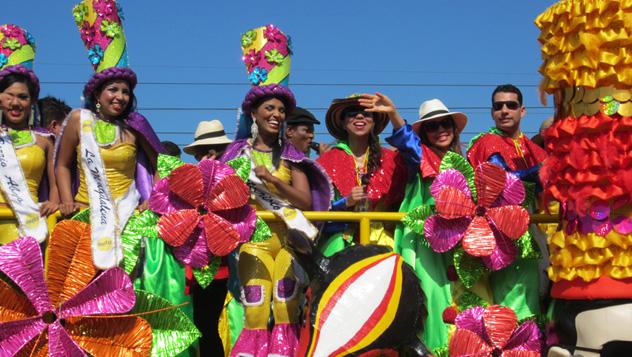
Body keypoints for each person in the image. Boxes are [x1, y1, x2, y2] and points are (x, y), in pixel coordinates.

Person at [222, 24, 331, 357]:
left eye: (281, 110)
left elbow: (304, 199)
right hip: (252, 243)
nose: (277, 115)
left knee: (285, 304)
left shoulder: (292, 156)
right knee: (255, 307)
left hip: (286, 242)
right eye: (269, 108)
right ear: (254, 113)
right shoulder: (236, 153)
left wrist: (273, 181)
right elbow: (221, 195)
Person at [379, 96, 476, 353]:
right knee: (431, 299)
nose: (441, 130)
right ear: (425, 134)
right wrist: (393, 114)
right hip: (425, 241)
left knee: (465, 299)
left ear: (454, 129)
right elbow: (406, 140)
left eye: (445, 124)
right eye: (432, 126)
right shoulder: (419, 157)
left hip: (458, 244)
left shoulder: (465, 164)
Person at [466, 84, 548, 326]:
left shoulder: (535, 150)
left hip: (534, 229)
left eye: (510, 105)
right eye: (498, 106)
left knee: (536, 292)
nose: (504, 110)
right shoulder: (485, 143)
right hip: (499, 234)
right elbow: (500, 179)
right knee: (507, 301)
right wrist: (537, 172)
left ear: (522, 111)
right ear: (492, 112)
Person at [316, 94, 406, 256]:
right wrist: (345, 203)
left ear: (374, 122)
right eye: (352, 113)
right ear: (343, 122)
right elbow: (316, 212)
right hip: (340, 243)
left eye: (366, 113)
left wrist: (393, 113)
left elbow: (415, 155)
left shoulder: (391, 159)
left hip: (383, 242)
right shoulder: (325, 162)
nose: (359, 116)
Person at [0, 24, 58, 245]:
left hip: (30, 229)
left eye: (23, 97)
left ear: (32, 101)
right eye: (9, 95)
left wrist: (54, 204)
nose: (16, 103)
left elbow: (54, 185)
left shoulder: (45, 141)